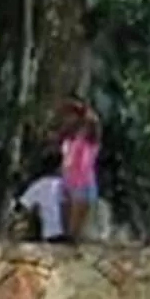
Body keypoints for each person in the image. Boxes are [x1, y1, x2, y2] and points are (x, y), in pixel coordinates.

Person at [59, 102, 101, 241]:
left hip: (85, 180)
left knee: (79, 220)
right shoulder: (73, 142)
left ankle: (73, 239)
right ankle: (70, 239)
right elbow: (68, 162)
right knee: (73, 218)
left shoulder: (89, 142)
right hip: (76, 180)